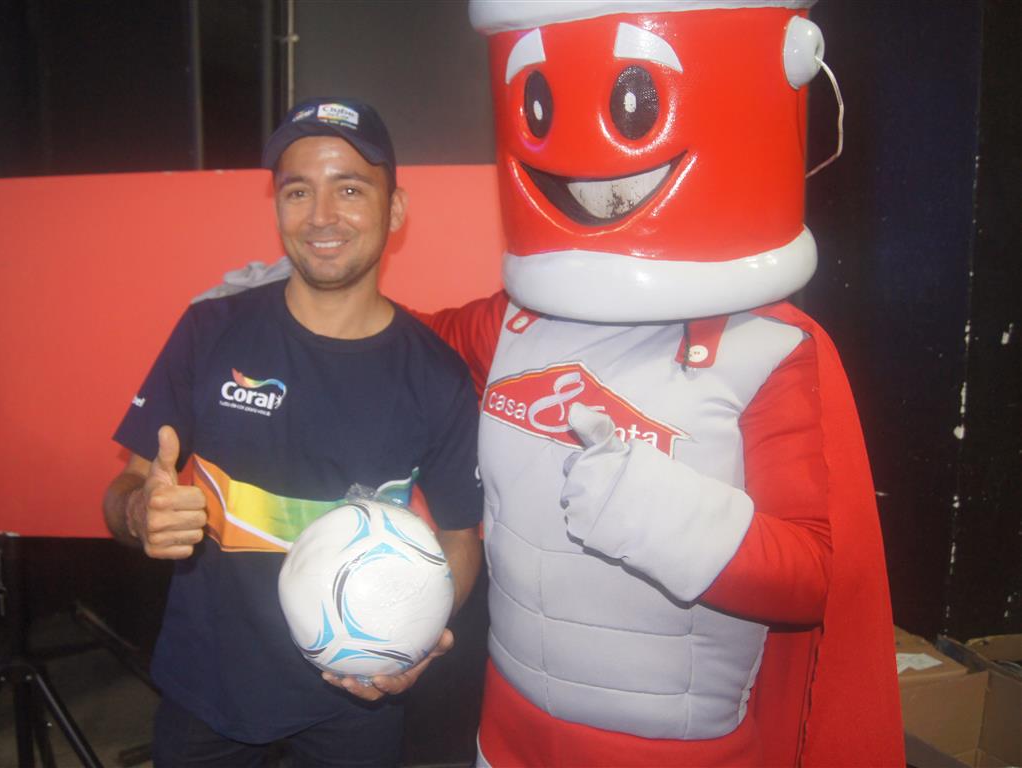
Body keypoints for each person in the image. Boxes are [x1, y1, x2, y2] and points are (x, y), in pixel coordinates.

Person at [214, 2, 904, 764]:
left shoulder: (767, 351)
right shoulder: (515, 321)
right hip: (506, 733)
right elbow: (400, 343)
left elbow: (812, 580)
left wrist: (663, 513)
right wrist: (294, 296)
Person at [102, 98, 483, 768]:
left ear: (395, 210)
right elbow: (127, 485)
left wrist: (417, 634)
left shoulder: (437, 375)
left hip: (357, 697)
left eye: (350, 189)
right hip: (208, 687)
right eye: (298, 191)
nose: (321, 216)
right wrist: (139, 512)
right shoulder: (210, 330)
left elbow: (460, 537)